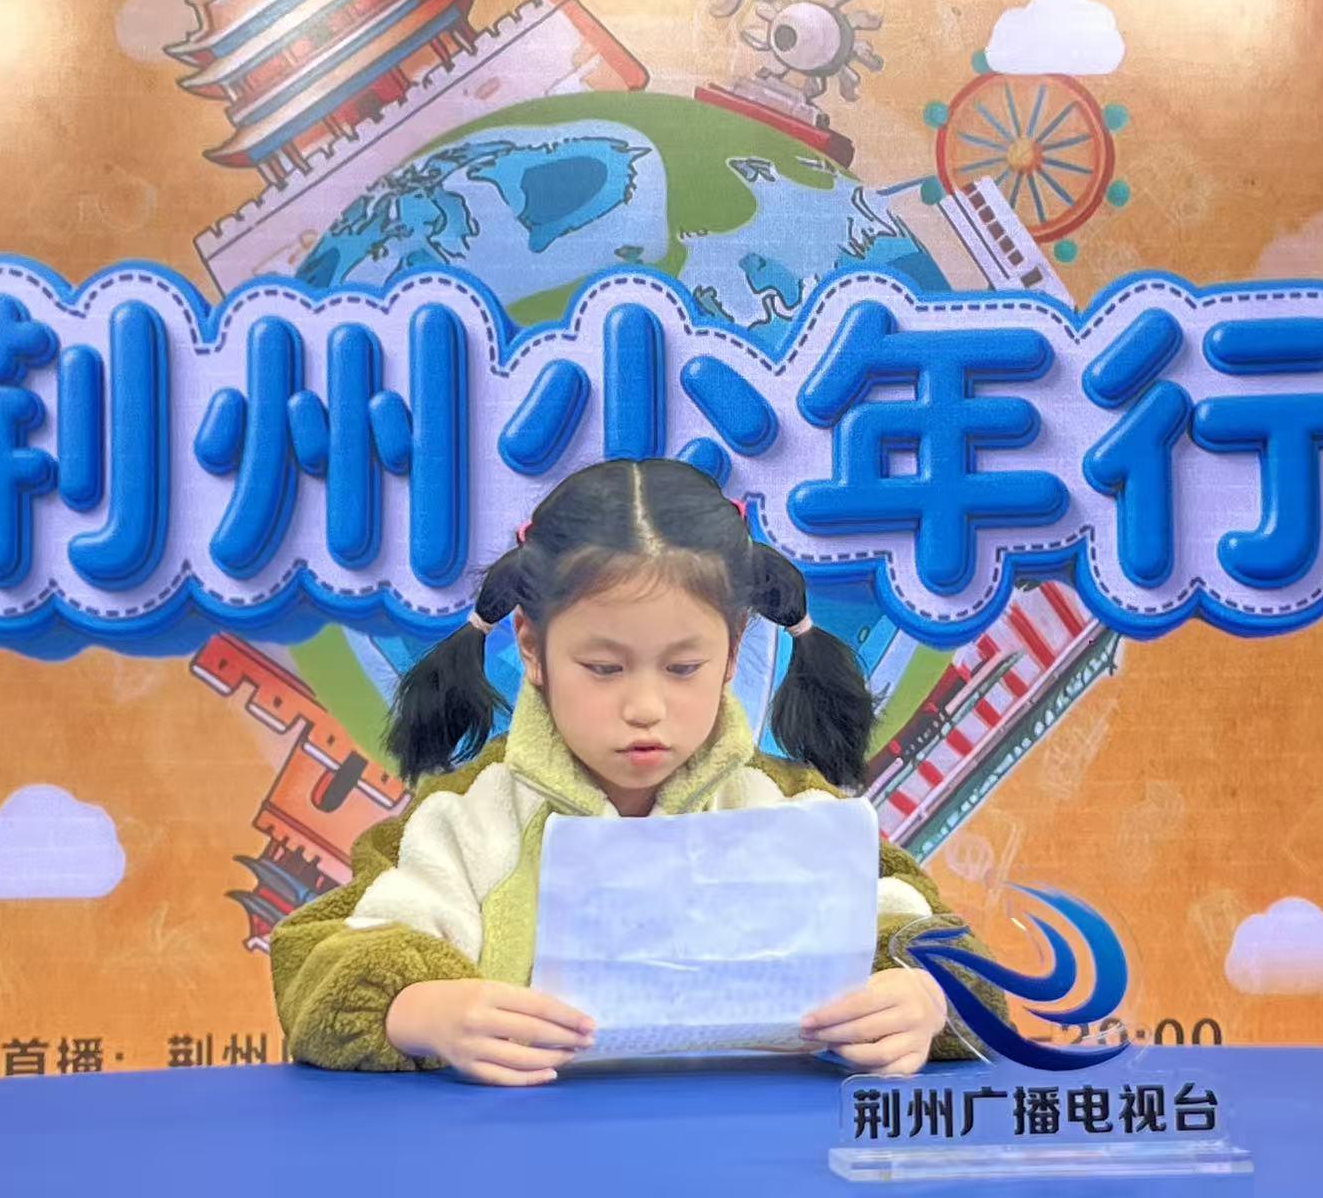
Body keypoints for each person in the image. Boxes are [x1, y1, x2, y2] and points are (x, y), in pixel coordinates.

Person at [271, 458, 1005, 1085]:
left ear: (732, 649)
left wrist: (927, 999)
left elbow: (949, 961)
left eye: (683, 668)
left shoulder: (792, 813)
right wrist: (420, 1012)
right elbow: (322, 967)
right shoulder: (465, 820)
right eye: (603, 667)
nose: (645, 708)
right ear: (530, 646)